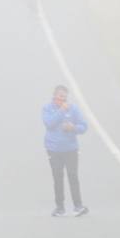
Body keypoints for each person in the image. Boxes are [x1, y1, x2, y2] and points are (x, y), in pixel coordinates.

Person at [42, 85, 88, 217]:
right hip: (53, 149)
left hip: (71, 149)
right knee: (57, 177)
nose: (63, 99)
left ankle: (78, 206)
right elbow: (49, 123)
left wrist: (73, 127)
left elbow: (84, 126)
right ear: (55, 96)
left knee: (73, 176)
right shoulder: (47, 108)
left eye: (65, 96)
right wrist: (61, 111)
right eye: (61, 96)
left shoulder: (73, 109)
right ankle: (60, 208)